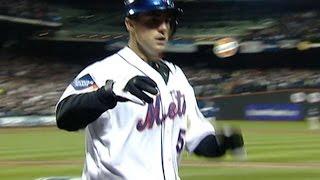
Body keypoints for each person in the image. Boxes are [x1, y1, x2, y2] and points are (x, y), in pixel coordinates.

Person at [56, 0, 245, 179]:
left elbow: (196, 136)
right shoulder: (104, 71)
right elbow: (64, 115)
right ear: (130, 24)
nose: (163, 28)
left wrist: (219, 144)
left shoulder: (176, 75)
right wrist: (108, 93)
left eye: (167, 21)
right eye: (153, 20)